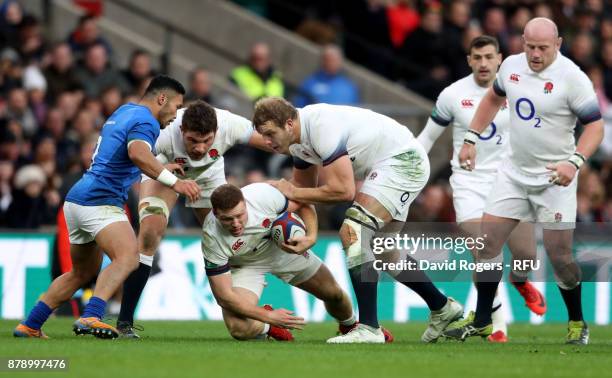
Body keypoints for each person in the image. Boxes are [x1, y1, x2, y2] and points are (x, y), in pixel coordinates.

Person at [444, 18, 603, 345]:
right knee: (487, 245)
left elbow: (595, 128)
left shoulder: (573, 79)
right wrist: (471, 137)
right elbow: (492, 99)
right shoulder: (512, 66)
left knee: (560, 259)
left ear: (558, 44)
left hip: (554, 178)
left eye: (543, 48)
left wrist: (575, 162)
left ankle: (576, 321)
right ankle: (484, 321)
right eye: (530, 46)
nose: (535, 54)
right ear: (522, 42)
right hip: (513, 173)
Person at [252, 98, 463, 344]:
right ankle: (442, 307)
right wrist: (297, 225)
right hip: (388, 165)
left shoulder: (320, 126)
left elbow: (343, 191)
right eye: (262, 135)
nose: (266, 142)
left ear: (288, 124)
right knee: (385, 252)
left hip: (403, 161)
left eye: (270, 134)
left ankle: (370, 328)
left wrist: (289, 190)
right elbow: (302, 194)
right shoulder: (297, 143)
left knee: (354, 230)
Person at [13, 75, 200, 339]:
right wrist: (174, 182)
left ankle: (31, 324)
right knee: (129, 258)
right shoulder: (147, 121)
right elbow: (137, 153)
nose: (176, 114)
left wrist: (161, 167)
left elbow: (121, 157)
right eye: (177, 107)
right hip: (100, 200)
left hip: (77, 199)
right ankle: (92, 315)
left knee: (81, 273)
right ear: (161, 99)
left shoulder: (124, 111)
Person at [417, 35, 547, 343]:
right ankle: (495, 323)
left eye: (490, 56)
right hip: (468, 183)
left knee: (525, 255)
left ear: (500, 58)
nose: (484, 63)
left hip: (510, 182)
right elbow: (426, 139)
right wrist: (406, 168)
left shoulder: (518, 90)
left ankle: (520, 282)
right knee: (484, 249)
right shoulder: (452, 94)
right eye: (478, 57)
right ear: (469, 60)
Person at [116, 100, 270, 337]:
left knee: (231, 236)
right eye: (192, 140)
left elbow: (272, 140)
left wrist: (304, 153)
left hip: (209, 179)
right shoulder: (165, 131)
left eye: (207, 140)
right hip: (167, 174)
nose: (199, 148)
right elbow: (134, 156)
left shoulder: (230, 124)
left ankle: (248, 312)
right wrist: (163, 169)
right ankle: (125, 323)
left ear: (216, 132)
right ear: (181, 130)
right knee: (149, 234)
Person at [203, 183, 357, 341]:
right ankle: (269, 328)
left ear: (245, 204)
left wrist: (311, 236)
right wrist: (268, 317)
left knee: (334, 294)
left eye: (240, 215)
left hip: (282, 250)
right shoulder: (211, 237)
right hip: (246, 265)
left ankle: (352, 327)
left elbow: (303, 202)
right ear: (215, 213)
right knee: (239, 328)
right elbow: (224, 296)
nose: (236, 223)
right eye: (228, 219)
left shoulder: (262, 196)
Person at [293, 45, 359, 107]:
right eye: (330, 59)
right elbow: (299, 107)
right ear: (323, 60)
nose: (333, 63)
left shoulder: (349, 86)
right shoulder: (310, 83)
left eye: (336, 60)